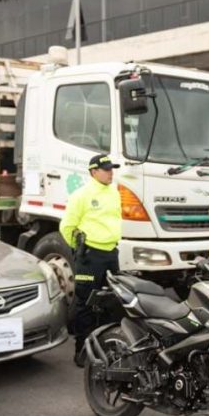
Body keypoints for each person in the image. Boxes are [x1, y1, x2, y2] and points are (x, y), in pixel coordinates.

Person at [60, 154, 122, 367]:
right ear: (93, 172)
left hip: (111, 254)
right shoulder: (82, 195)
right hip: (90, 255)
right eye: (106, 169)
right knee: (85, 302)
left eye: (111, 169)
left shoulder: (114, 192)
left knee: (111, 301)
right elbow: (66, 226)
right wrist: (80, 250)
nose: (110, 172)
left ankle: (105, 346)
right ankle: (82, 350)